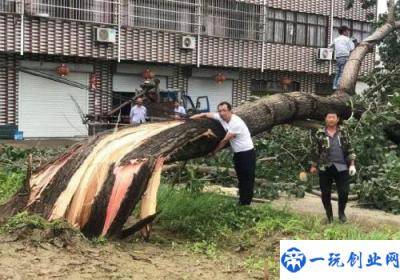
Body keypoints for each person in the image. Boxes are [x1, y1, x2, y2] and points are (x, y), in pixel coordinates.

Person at [191, 101, 255, 205]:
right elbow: (205, 114)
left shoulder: (236, 123)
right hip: (238, 153)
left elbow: (225, 141)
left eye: (224, 110)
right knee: (240, 177)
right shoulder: (221, 117)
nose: (222, 113)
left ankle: (246, 203)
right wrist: (188, 120)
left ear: (230, 111)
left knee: (247, 178)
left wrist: (213, 152)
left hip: (247, 153)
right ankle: (242, 200)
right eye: (220, 111)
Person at [309, 111, 357, 223]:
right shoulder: (319, 133)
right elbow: (315, 151)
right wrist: (313, 165)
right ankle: (329, 216)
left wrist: (352, 164)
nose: (331, 119)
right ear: (325, 119)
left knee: (344, 192)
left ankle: (341, 213)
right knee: (325, 193)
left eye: (333, 117)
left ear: (337, 119)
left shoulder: (343, 132)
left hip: (342, 166)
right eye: (329, 117)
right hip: (325, 167)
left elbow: (350, 148)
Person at [330, 26, 355, 90]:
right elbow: (352, 48)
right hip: (345, 57)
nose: (348, 32)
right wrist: (353, 42)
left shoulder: (336, 39)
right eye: (347, 31)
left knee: (337, 72)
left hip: (338, 58)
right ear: (344, 31)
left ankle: (334, 86)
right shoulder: (347, 39)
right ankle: (338, 85)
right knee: (342, 72)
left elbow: (330, 46)